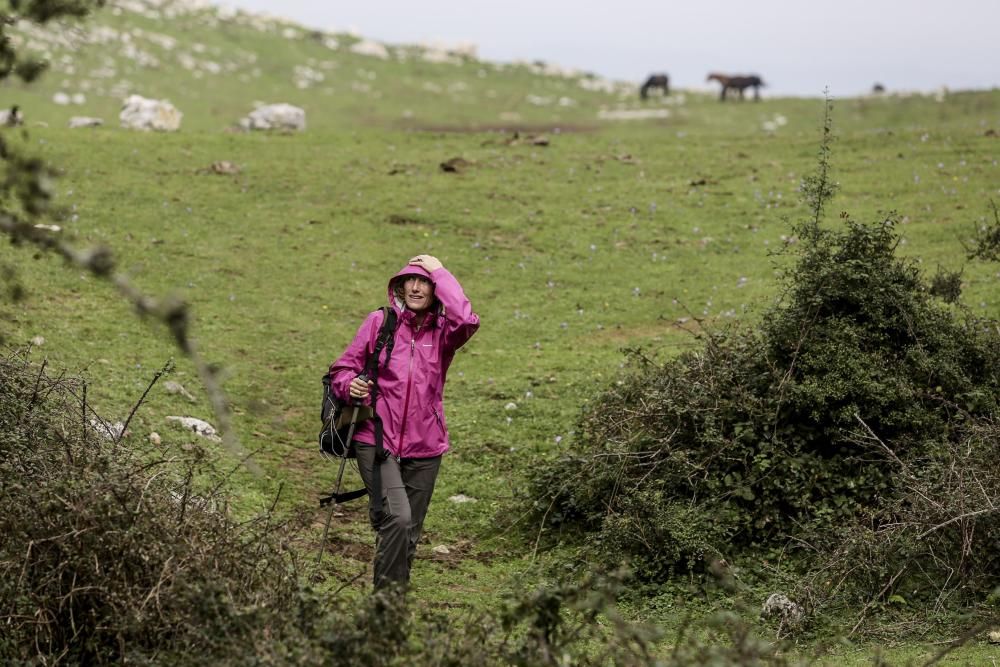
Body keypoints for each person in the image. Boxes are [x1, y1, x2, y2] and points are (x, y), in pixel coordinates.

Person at [328, 254, 479, 589]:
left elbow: (467, 321)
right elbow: (341, 369)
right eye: (408, 280)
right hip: (376, 439)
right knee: (398, 519)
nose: (414, 286)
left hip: (426, 445)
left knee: (406, 534)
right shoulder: (379, 322)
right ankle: (387, 610)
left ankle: (388, 609)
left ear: (435, 289)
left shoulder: (444, 335)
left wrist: (440, 270)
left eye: (424, 281)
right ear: (398, 286)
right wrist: (348, 384)